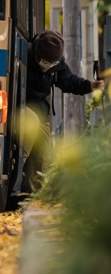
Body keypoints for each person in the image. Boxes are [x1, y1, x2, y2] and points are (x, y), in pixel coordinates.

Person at [21, 29, 105, 193]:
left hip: (42, 112)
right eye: (47, 61)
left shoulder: (56, 62)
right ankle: (12, 182)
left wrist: (89, 85)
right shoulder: (24, 56)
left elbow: (69, 81)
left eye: (54, 62)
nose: (51, 65)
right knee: (25, 147)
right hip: (22, 108)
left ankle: (32, 196)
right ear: (38, 55)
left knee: (41, 157)